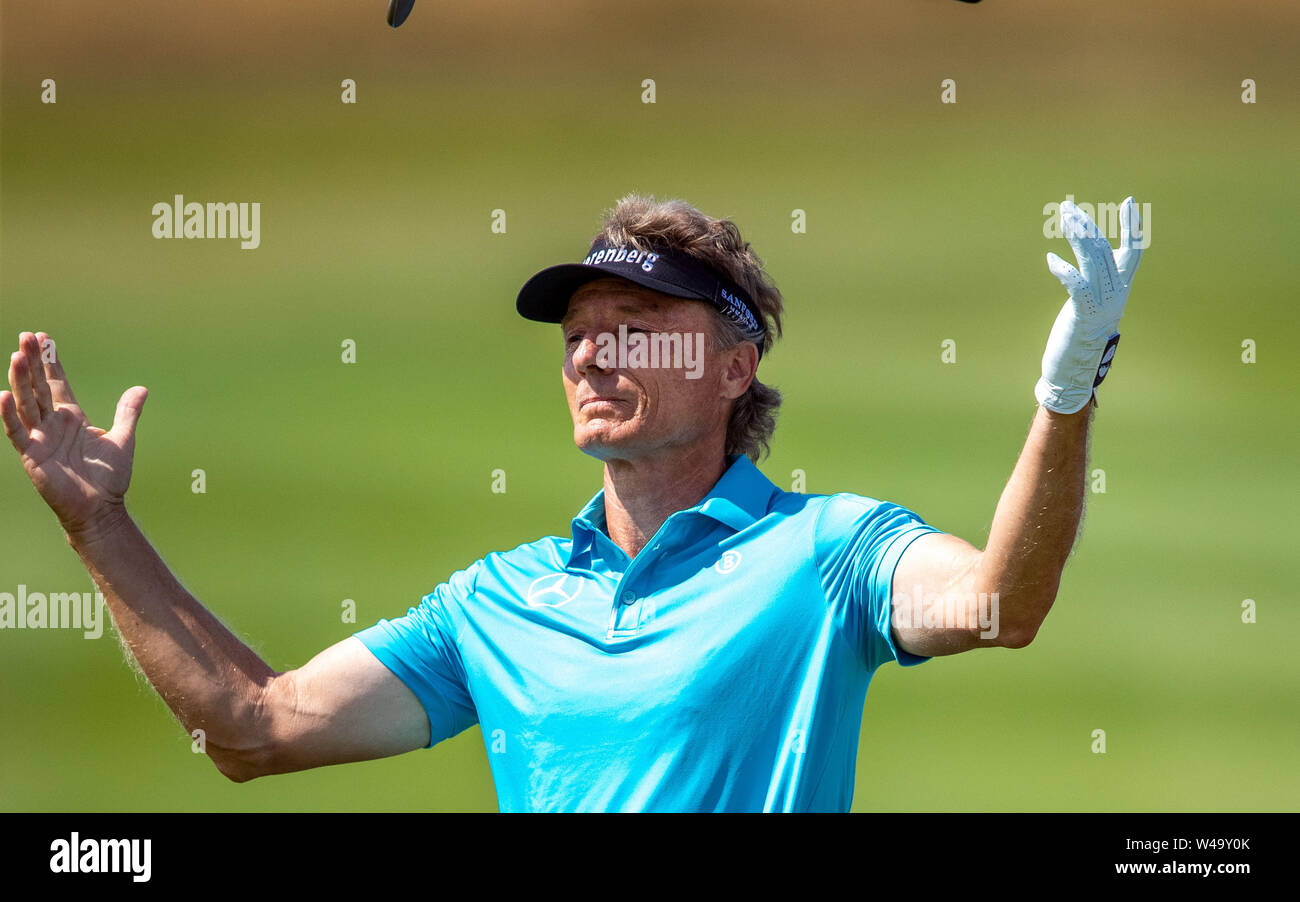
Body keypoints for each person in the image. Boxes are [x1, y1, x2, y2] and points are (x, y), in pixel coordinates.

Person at [1, 192, 1145, 812]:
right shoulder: (493, 604)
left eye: (636, 330)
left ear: (733, 370)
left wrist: (1065, 387)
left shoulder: (827, 552)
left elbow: (1001, 601)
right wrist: (98, 525)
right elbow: (251, 728)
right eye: (579, 335)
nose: (596, 356)